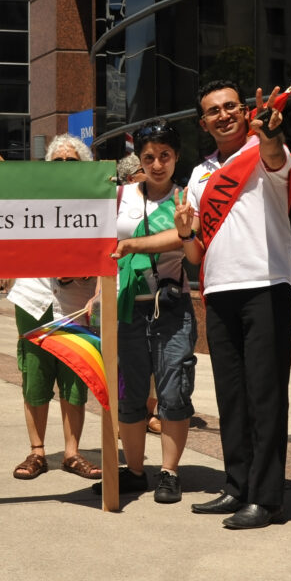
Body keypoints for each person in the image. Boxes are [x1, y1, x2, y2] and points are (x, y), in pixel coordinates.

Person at [176, 80, 291, 529]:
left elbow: (276, 158)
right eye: (214, 111)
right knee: (232, 397)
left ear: (246, 111)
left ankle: (267, 500)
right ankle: (237, 485)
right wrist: (186, 232)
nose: (224, 115)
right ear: (202, 122)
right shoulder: (199, 173)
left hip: (266, 285)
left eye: (231, 107)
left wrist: (269, 133)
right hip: (218, 289)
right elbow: (193, 252)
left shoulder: (261, 151)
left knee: (265, 396)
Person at [0, 103, 102, 481]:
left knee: (74, 376)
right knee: (35, 374)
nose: (64, 167)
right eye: (57, 161)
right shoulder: (36, 193)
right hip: (34, 298)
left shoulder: (99, 200)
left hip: (77, 304)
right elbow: (6, 179)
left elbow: (108, 250)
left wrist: (94, 289)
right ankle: (37, 452)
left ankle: (73, 454)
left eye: (72, 161)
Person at [104, 120, 196, 503]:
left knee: (173, 392)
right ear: (138, 159)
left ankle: (170, 473)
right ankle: (136, 471)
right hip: (126, 308)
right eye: (149, 157)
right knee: (130, 395)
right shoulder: (119, 195)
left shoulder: (186, 198)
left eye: (165, 156)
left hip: (171, 309)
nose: (157, 164)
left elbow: (190, 249)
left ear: (175, 158)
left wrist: (136, 245)